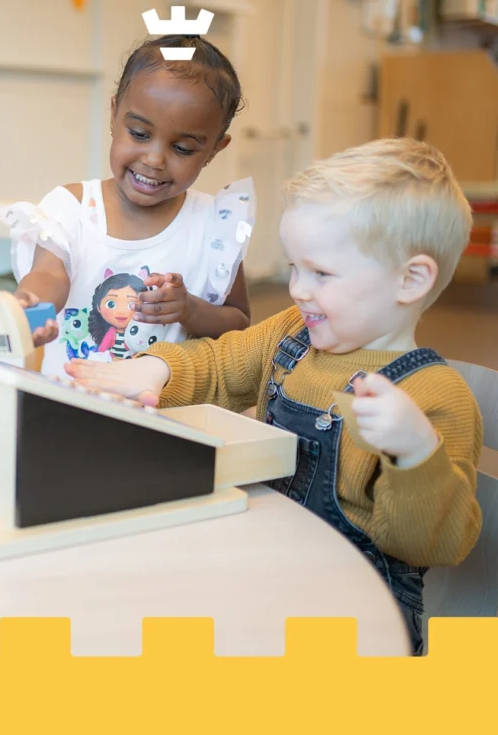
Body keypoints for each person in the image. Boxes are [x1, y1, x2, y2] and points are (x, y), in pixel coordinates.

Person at [64, 138, 484, 656]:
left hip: (358, 621)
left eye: (322, 273)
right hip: (271, 572)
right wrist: (153, 371)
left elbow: (430, 544)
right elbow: (222, 364)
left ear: (411, 279)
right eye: (293, 268)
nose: (298, 290)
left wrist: (415, 454)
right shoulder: (294, 333)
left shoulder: (433, 396)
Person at [2, 34, 256, 375]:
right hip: (67, 405)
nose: (154, 159)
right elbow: (49, 274)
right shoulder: (72, 207)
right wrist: (31, 308)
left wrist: (190, 311)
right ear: (113, 115)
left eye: (182, 149)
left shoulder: (214, 226)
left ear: (214, 149)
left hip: (165, 413)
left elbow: (239, 325)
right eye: (139, 133)